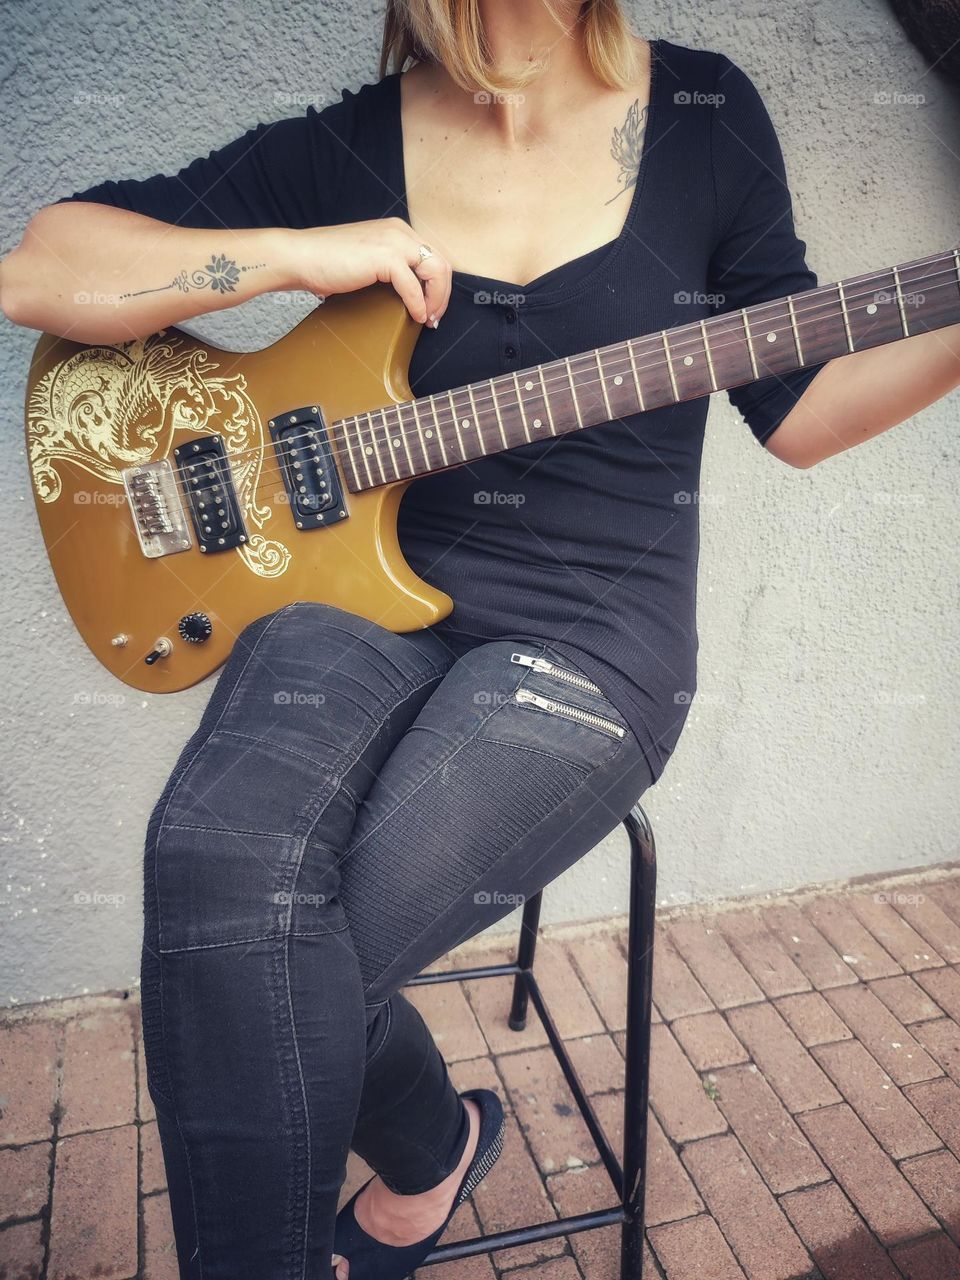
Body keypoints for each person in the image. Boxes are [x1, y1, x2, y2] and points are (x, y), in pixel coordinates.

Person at [2, 2, 958, 1277]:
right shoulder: (354, 144)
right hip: (356, 594)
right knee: (212, 870)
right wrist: (297, 256)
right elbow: (42, 267)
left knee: (275, 971)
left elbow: (797, 411)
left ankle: (412, 1157)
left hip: (586, 636)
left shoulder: (704, 117)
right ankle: (431, 1143)